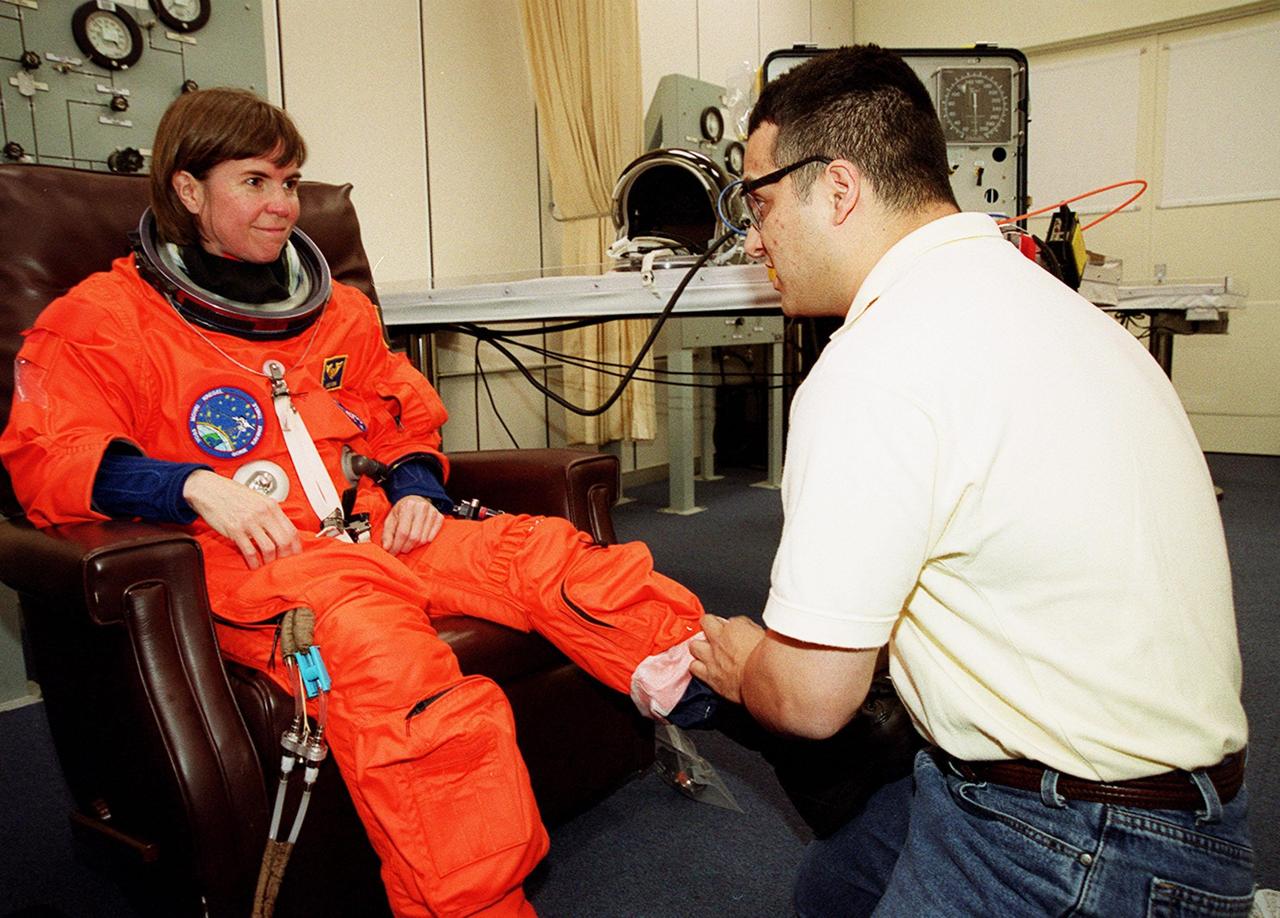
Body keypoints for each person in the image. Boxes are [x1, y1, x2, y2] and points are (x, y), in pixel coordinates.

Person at [0, 88, 710, 918]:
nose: (282, 206)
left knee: (543, 555)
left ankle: (714, 681)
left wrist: (415, 486)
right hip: (264, 562)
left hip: (371, 524)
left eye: (291, 182)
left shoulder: (335, 309)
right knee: (400, 680)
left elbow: (401, 409)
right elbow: (46, 456)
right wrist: (189, 482)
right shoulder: (101, 321)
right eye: (256, 181)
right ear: (188, 190)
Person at [690, 45, 1252, 916]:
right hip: (1170, 799)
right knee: (832, 893)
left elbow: (809, 701)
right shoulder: (1063, 313)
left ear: (838, 191)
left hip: (1077, 840)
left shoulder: (874, 366)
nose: (755, 238)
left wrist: (744, 664)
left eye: (760, 203)